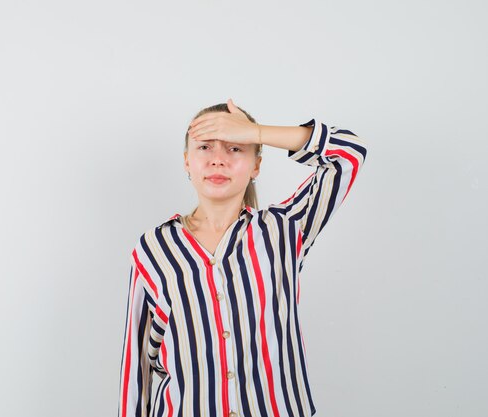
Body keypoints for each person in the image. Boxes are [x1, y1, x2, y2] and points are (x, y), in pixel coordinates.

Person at [118, 99, 368, 417]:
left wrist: (258, 132)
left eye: (236, 148)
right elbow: (137, 368)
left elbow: (348, 153)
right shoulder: (153, 249)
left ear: (256, 165)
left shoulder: (285, 229)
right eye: (205, 147)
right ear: (186, 161)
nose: (218, 160)